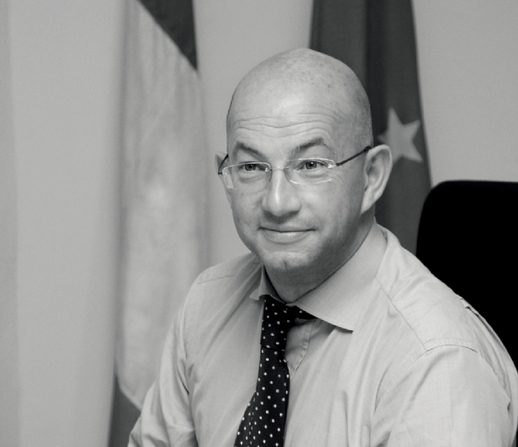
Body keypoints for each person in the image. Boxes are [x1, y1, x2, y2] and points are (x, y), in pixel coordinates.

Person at [129, 48, 518, 446]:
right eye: (251, 167)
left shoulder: (435, 360)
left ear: (371, 176)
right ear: (227, 176)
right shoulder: (206, 304)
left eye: (311, 165)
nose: (277, 203)